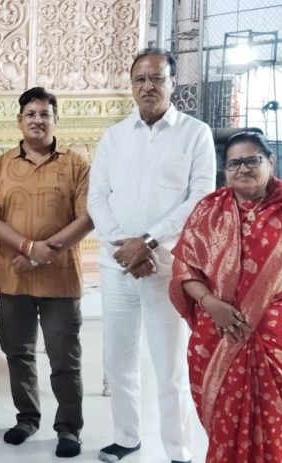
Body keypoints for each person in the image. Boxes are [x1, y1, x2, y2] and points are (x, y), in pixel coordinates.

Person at [169, 131, 282, 463]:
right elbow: (184, 270)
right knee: (225, 422)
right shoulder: (208, 210)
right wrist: (211, 304)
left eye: (252, 160)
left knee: (277, 422)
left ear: (270, 162)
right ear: (225, 169)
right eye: (234, 163)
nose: (243, 168)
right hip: (221, 333)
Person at [87, 48, 215, 463]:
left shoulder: (195, 134)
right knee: (118, 359)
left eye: (157, 78)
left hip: (167, 267)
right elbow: (97, 198)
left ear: (173, 83)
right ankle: (126, 438)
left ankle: (179, 450)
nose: (148, 86)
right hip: (117, 267)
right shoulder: (114, 136)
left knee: (169, 364)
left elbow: (200, 197)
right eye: (140, 79)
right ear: (131, 85)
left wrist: (149, 242)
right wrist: (124, 247)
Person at [0, 87, 92, 458]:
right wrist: (29, 248)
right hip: (13, 278)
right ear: (19, 121)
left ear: (56, 119)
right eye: (30, 114)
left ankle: (69, 428)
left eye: (45, 114)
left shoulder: (76, 164)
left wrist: (45, 252)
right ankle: (27, 418)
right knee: (19, 354)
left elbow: (87, 217)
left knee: (65, 359)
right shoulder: (0, 165)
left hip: (61, 279)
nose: (37, 120)